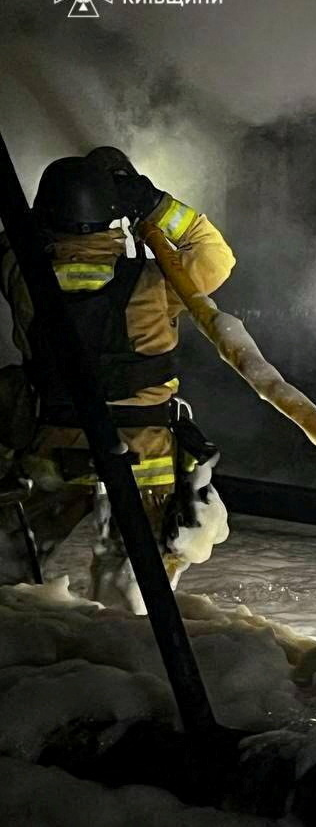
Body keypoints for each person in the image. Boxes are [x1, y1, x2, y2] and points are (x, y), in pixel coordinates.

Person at [0, 149, 234, 610]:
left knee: (15, 584)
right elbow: (216, 257)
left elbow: (11, 242)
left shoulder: (20, 277)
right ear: (114, 217)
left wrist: (39, 224)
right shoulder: (155, 282)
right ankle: (130, 661)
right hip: (142, 456)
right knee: (134, 590)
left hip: (52, 451)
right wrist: (153, 204)